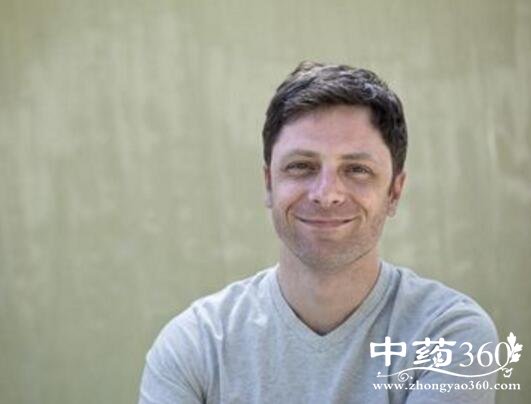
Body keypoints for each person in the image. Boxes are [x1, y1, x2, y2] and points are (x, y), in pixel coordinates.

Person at [139, 62, 498, 403]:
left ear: (394, 192)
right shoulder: (195, 345)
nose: (326, 194)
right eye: (301, 166)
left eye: (357, 169)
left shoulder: (448, 334)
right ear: (269, 184)